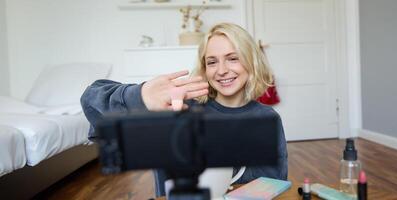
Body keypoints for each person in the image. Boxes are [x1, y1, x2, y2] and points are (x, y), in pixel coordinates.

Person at [80, 22, 288, 197]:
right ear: (204, 69)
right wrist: (141, 96)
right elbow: (91, 100)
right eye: (212, 62)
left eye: (233, 58)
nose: (222, 70)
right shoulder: (182, 110)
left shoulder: (267, 118)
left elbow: (272, 183)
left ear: (251, 61)